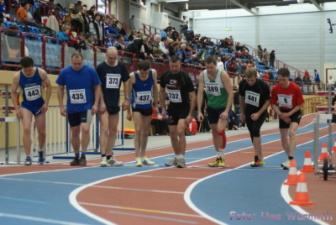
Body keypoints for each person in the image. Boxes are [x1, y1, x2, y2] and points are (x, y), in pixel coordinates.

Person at [56, 52, 101, 166]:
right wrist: (61, 106)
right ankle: (76, 156)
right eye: (75, 64)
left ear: (83, 61)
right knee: (75, 131)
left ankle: (83, 155)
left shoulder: (90, 71)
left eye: (79, 64)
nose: (77, 66)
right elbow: (60, 89)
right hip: (72, 107)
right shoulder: (64, 72)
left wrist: (95, 104)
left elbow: (97, 87)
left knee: (85, 129)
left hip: (87, 106)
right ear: (71, 62)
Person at [10, 57, 52, 165]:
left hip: (39, 105)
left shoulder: (41, 73)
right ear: (22, 68)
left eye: (30, 70)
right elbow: (13, 92)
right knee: (27, 129)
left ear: (33, 66)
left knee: (41, 131)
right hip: (26, 105)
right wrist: (17, 108)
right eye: (26, 70)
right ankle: (28, 156)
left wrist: (46, 103)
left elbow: (49, 86)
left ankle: (41, 151)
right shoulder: (17, 76)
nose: (28, 72)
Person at [159, 55, 196, 168]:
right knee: (172, 133)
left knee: (180, 131)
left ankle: (181, 158)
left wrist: (190, 114)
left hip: (184, 107)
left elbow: (193, 96)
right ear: (169, 65)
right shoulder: (165, 76)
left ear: (180, 65)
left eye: (176, 66)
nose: (174, 68)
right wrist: (163, 108)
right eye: (172, 66)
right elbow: (161, 92)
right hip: (172, 108)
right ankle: (176, 156)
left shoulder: (185, 77)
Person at [197, 55, 233, 167]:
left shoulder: (223, 75)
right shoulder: (203, 75)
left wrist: (227, 111)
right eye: (207, 67)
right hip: (211, 106)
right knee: (214, 131)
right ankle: (219, 157)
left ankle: (221, 155)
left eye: (211, 67)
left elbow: (231, 93)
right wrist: (199, 111)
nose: (209, 70)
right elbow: (200, 93)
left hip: (223, 106)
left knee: (220, 129)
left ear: (216, 66)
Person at [96, 47, 129, 167]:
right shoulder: (101, 68)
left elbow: (126, 81)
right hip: (104, 102)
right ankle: (103, 156)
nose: (112, 60)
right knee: (104, 129)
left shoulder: (120, 66)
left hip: (115, 102)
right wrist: (101, 102)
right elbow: (97, 86)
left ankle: (110, 156)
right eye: (110, 58)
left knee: (113, 130)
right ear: (106, 56)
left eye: (114, 58)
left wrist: (126, 98)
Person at [270, 68, 304, 170]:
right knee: (283, 138)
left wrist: (289, 114)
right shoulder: (276, 89)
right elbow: (272, 104)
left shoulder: (295, 88)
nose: (281, 82)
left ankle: (290, 158)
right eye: (279, 80)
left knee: (292, 133)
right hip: (283, 112)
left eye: (283, 80)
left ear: (288, 77)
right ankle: (290, 160)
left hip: (294, 112)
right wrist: (281, 114)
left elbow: (300, 104)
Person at [126, 60, 158, 166]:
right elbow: (128, 94)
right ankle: (137, 156)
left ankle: (143, 155)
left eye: (146, 73)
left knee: (145, 131)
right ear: (138, 70)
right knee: (138, 130)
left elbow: (155, 90)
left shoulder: (153, 73)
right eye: (142, 73)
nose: (144, 75)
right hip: (137, 107)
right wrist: (128, 112)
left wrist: (156, 105)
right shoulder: (133, 76)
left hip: (147, 106)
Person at [239, 68, 270, 167]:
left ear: (256, 77)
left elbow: (267, 101)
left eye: (252, 80)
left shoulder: (263, 86)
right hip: (249, 110)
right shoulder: (243, 84)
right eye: (248, 80)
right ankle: (260, 155)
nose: (250, 82)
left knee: (256, 130)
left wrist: (258, 113)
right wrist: (242, 113)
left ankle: (257, 157)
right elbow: (241, 97)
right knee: (252, 132)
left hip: (261, 110)